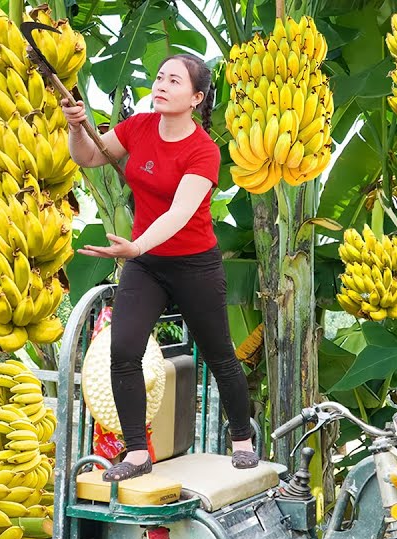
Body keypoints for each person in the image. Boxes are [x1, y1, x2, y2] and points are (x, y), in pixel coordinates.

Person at [64, 53, 259, 482]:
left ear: (196, 98)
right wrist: (76, 127)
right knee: (123, 351)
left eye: (174, 81)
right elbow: (89, 157)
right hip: (147, 265)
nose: (162, 85)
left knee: (220, 355)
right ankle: (137, 453)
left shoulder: (204, 151)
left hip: (194, 265)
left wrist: (135, 246)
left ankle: (242, 440)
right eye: (159, 77)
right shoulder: (138, 127)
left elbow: (180, 213)